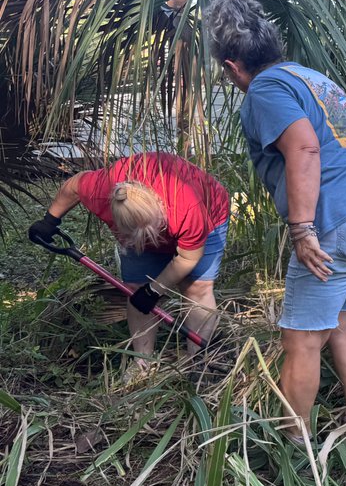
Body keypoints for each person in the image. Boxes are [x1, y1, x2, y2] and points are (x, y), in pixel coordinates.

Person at [206, 0, 346, 456]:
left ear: (232, 66)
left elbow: (304, 147)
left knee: (300, 339)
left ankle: (295, 452)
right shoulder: (312, 79)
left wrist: (302, 228)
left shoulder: (264, 88)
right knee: (344, 324)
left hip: (339, 222)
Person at [27, 152, 229, 365]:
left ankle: (200, 363)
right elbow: (73, 186)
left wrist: (154, 290)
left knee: (196, 288)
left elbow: (187, 259)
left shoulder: (187, 206)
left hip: (210, 213)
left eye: (149, 235)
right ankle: (142, 363)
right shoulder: (100, 191)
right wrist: (50, 220)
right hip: (154, 216)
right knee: (135, 289)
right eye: (134, 235)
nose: (145, 242)